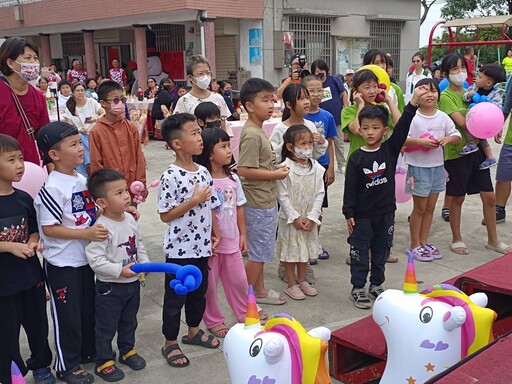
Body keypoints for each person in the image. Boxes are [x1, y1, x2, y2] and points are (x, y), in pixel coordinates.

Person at [34, 121, 109, 384]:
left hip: (85, 259)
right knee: (67, 315)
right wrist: (86, 235)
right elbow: (50, 229)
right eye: (74, 144)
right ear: (54, 155)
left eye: (80, 142)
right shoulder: (53, 187)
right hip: (62, 263)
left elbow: (86, 215)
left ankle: (86, 352)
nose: (81, 148)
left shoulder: (80, 179)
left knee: (87, 309)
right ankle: (66, 365)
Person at [343, 86, 425, 309]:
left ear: (385, 130)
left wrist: (412, 101)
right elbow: (350, 188)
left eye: (375, 128)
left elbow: (404, 126)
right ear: (359, 129)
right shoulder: (356, 158)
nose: (370, 132)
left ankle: (377, 285)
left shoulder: (389, 150)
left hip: (385, 213)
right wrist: (348, 213)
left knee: (382, 251)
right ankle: (358, 287)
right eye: (365, 128)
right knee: (360, 253)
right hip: (362, 216)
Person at [157, 113, 221, 368]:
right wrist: (193, 201)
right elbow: (165, 215)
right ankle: (170, 342)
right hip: (179, 251)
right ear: (177, 144)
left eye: (199, 131)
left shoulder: (204, 171)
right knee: (175, 298)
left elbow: (211, 205)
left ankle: (193, 330)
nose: (200, 137)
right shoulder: (170, 176)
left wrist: (215, 232)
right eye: (193, 133)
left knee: (199, 293)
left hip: (202, 246)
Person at [439, 52, 511, 256]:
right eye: (455, 69)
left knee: (489, 197)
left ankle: (493, 240)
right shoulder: (446, 97)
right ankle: (456, 238)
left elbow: (491, 114)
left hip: (478, 150)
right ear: (446, 73)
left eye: (463, 68)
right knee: (457, 197)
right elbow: (463, 123)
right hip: (457, 152)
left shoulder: (473, 90)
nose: (460, 72)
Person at [0, 134, 55, 384]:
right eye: (11, 159)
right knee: (6, 333)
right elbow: (10, 244)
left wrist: (33, 241)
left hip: (30, 277)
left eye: (21, 158)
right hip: (4, 285)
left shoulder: (23, 198)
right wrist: (9, 246)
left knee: (38, 327)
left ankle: (41, 365)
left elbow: (33, 230)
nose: (20, 164)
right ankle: (9, 373)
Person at [85, 169, 149, 381]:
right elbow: (96, 260)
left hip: (133, 282)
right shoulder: (102, 227)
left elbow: (138, 243)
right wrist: (119, 271)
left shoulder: (130, 218)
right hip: (110, 287)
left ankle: (127, 350)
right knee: (106, 326)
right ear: (102, 202)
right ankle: (104, 361)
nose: (126, 196)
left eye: (125, 191)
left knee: (129, 321)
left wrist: (145, 264)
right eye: (119, 193)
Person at [237, 78, 290, 306]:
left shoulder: (258, 130)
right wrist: (275, 175)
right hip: (257, 202)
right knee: (258, 254)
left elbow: (258, 165)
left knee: (263, 250)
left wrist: (273, 168)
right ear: (249, 106)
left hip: (265, 199)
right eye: (265, 100)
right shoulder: (251, 134)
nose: (271, 105)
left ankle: (258, 290)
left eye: (273, 99)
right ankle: (246, 300)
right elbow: (244, 170)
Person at [195, 128, 253, 338]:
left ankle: (246, 312)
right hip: (211, 245)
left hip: (232, 240)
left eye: (229, 146)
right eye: (223, 146)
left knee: (238, 280)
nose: (229, 151)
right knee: (210, 286)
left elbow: (239, 207)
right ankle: (213, 320)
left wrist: (243, 234)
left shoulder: (233, 179)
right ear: (210, 153)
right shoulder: (203, 181)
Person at [342, 69, 401, 264]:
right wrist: (359, 104)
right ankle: (359, 249)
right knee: (358, 211)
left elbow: (400, 126)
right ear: (356, 90)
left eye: (375, 86)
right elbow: (358, 129)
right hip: (358, 168)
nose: (372, 90)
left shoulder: (380, 111)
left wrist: (389, 101)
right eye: (366, 87)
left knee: (381, 208)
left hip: (381, 165)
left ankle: (380, 247)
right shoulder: (349, 111)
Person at [404, 78, 461, 262]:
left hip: (437, 167)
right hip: (419, 168)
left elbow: (457, 134)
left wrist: (447, 140)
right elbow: (402, 139)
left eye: (433, 91)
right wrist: (421, 142)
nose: (429, 94)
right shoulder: (413, 117)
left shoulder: (443, 116)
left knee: (430, 208)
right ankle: (414, 244)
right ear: (416, 95)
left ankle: (423, 241)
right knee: (419, 208)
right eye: (424, 91)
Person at [275, 125, 325, 300]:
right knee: (291, 252)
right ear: (290, 147)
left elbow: (320, 193)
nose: (307, 147)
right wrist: (294, 217)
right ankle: (291, 284)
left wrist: (312, 217)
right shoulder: (284, 169)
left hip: (309, 218)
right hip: (291, 219)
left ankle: (302, 280)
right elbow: (282, 196)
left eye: (310, 143)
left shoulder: (317, 168)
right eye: (302, 143)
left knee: (304, 251)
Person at [89, 80, 147, 200]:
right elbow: (96, 163)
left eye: (123, 99)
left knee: (131, 216)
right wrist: (102, 190)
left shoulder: (130, 127)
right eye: (115, 100)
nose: (120, 103)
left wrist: (141, 181)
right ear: (103, 103)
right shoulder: (97, 131)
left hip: (132, 185)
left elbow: (139, 157)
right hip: (110, 190)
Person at [302, 75, 337, 260]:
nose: (316, 94)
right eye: (311, 91)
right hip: (302, 167)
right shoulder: (300, 117)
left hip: (321, 167)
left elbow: (330, 143)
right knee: (303, 206)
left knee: (319, 207)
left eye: (319, 90)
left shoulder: (327, 116)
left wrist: (331, 167)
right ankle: (304, 244)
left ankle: (315, 241)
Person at [0, 37, 50, 165]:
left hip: (31, 167)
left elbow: (44, 136)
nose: (33, 63)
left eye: (35, 58)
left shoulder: (38, 96)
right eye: (28, 58)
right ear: (10, 63)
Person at [269, 83, 328, 166]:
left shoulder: (310, 125)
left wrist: (322, 142)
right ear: (289, 105)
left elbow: (314, 155)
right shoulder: (280, 129)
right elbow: (274, 156)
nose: (307, 102)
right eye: (301, 99)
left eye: (307, 98)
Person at [462, 64, 506, 170]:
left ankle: (486, 154)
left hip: (484, 122)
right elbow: (464, 96)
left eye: (480, 77)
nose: (476, 78)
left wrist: (487, 103)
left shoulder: (496, 94)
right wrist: (469, 95)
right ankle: (484, 153)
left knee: (481, 137)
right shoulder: (473, 88)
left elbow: (496, 109)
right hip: (473, 118)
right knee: (468, 128)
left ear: (489, 83)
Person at [309, 59, 349, 174]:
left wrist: (345, 109)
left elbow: (343, 93)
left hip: (336, 117)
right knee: (322, 142)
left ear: (326, 70)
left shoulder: (334, 80)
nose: (320, 73)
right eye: (317, 71)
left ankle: (341, 164)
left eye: (322, 70)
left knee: (338, 142)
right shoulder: (313, 83)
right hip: (320, 119)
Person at [173, 55, 231, 131]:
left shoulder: (218, 98)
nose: (205, 77)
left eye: (208, 73)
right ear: (190, 77)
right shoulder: (184, 101)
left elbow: (224, 126)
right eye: (200, 74)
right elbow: (179, 128)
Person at [63, 81, 105, 177]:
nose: (80, 92)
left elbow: (104, 113)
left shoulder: (91, 102)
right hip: (79, 136)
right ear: (73, 92)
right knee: (80, 138)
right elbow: (70, 127)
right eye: (77, 91)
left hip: (94, 134)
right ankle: (87, 166)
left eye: (82, 90)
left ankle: (90, 165)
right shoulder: (69, 107)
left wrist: (95, 119)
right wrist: (79, 129)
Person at [363, 49, 405, 113]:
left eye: (383, 62)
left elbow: (402, 115)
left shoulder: (395, 89)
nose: (381, 66)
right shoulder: (360, 88)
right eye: (376, 63)